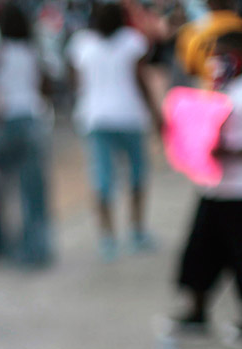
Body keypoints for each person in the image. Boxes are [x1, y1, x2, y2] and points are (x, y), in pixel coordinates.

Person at [163, 31, 242, 344]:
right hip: (216, 189)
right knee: (200, 254)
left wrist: (231, 153)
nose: (217, 61)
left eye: (226, 54)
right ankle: (196, 312)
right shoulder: (218, 90)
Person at [67, 2, 164, 261]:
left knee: (102, 179)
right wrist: (156, 113)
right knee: (136, 175)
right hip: (129, 116)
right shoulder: (132, 41)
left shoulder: (82, 43)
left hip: (95, 117)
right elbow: (140, 80)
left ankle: (107, 237)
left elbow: (76, 80)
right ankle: (136, 231)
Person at [0, 2, 53, 267]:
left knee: (3, 190)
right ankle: (38, 249)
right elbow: (45, 84)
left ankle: (7, 247)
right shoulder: (33, 50)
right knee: (33, 191)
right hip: (30, 120)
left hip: (4, 121)